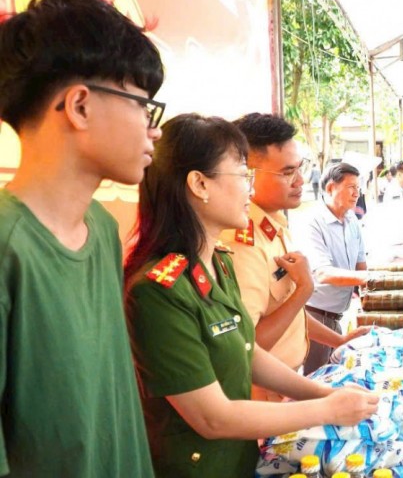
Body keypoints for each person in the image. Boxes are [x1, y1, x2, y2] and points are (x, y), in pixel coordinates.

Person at [123, 114, 378, 476]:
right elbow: (212, 418)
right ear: (199, 183)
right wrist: (328, 409)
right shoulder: (158, 290)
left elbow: (247, 349)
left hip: (239, 461)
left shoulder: (218, 263)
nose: (249, 189)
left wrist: (324, 393)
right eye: (243, 176)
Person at [0, 0, 164, 475]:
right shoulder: (9, 247)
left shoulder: (104, 230)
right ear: (80, 105)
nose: (153, 132)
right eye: (143, 106)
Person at [226, 113, 366, 399]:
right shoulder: (242, 243)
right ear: (247, 174)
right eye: (287, 172)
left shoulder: (276, 226)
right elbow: (247, 347)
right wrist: (304, 290)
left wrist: (338, 339)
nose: (301, 180)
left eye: (300, 168)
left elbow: (286, 314)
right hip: (262, 394)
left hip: (287, 383)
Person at [301, 163, 371, 374]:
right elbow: (323, 273)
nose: (356, 193)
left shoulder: (352, 221)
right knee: (316, 378)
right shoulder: (313, 222)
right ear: (331, 188)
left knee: (334, 375)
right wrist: (371, 278)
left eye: (358, 188)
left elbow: (361, 265)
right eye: (351, 187)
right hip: (315, 316)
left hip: (337, 316)